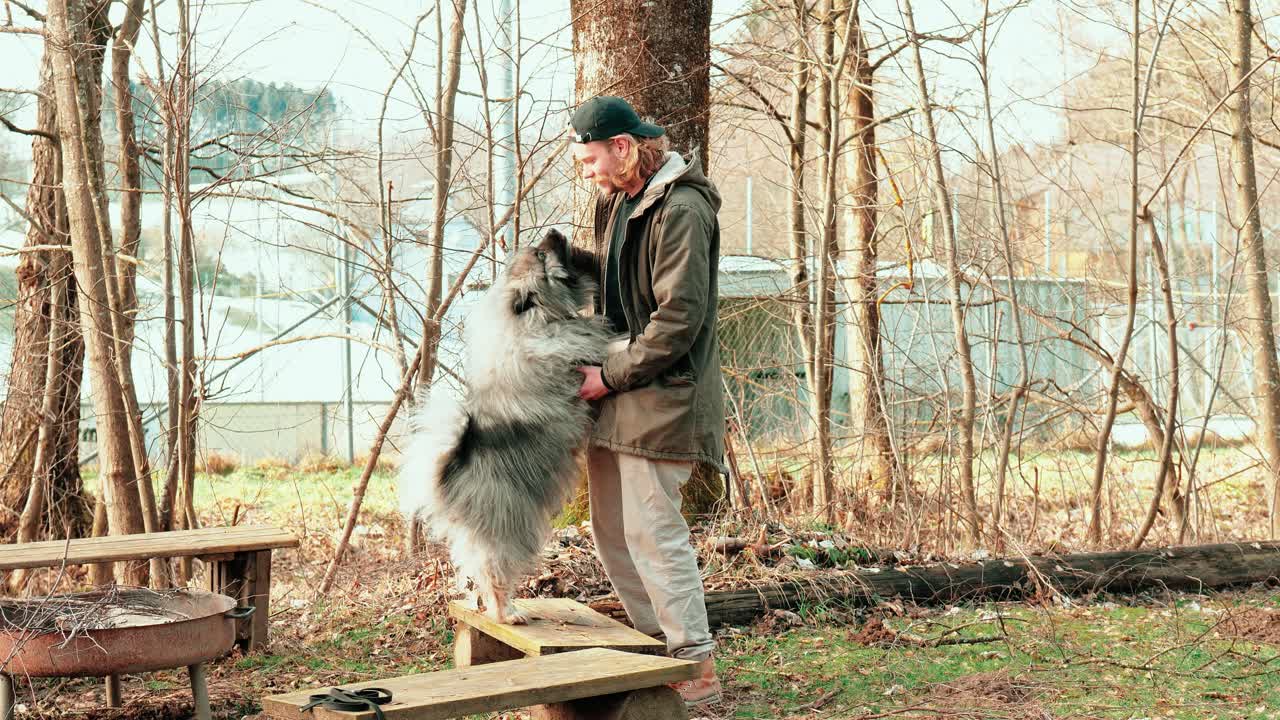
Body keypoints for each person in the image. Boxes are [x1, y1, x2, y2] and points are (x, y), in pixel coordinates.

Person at [571, 95, 724, 706]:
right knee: (611, 530)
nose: (586, 172)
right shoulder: (622, 202)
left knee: (654, 533)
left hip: (662, 395)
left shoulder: (681, 208)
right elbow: (613, 301)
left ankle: (696, 671)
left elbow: (678, 319)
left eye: (590, 160)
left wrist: (609, 375)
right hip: (619, 391)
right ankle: (655, 652)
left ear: (625, 148)